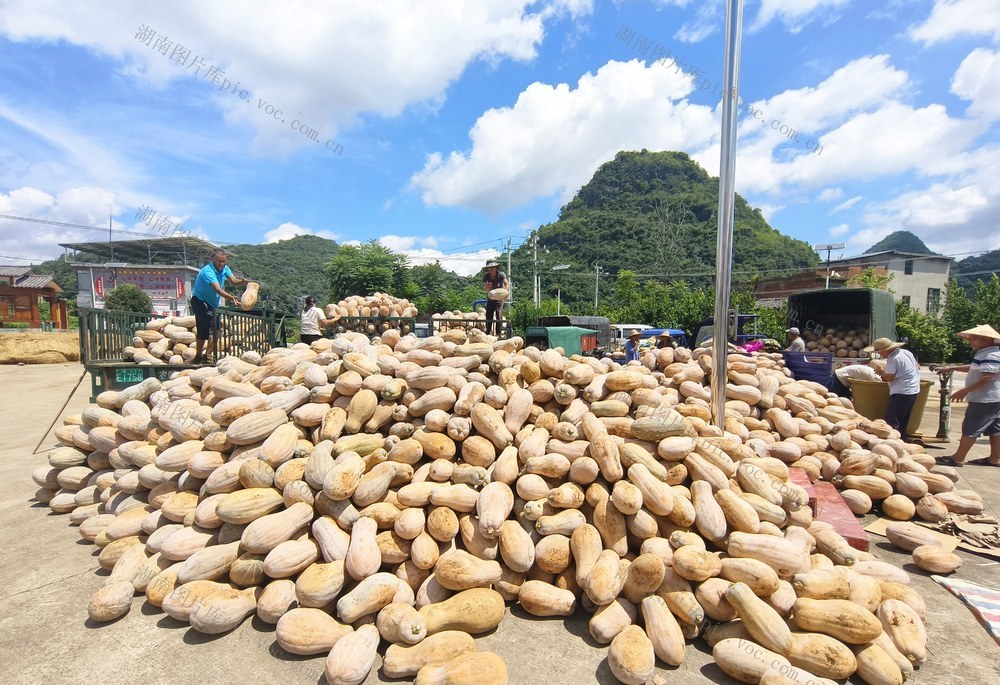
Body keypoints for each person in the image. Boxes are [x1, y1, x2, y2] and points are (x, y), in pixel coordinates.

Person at [934, 324, 1000, 467]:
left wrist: (964, 391)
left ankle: (958, 457)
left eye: (974, 339)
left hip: (985, 399)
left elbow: (987, 377)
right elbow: (976, 368)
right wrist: (952, 367)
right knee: (995, 428)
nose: (971, 341)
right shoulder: (988, 352)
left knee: (971, 427)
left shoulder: (991, 354)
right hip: (993, 398)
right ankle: (995, 458)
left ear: (987, 339)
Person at [191, 249, 251, 363]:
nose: (222, 264)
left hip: (211, 304)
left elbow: (233, 281)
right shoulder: (207, 271)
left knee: (209, 329)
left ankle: (201, 356)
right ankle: (204, 356)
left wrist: (242, 282)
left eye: (224, 261)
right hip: (200, 301)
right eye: (219, 261)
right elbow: (218, 289)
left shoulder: (225, 269)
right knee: (213, 328)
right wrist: (231, 297)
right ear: (212, 259)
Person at [866, 337, 920, 435]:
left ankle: (894, 440)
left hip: (901, 392)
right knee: (903, 420)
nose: (879, 354)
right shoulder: (906, 352)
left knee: (892, 420)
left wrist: (881, 372)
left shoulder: (893, 359)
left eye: (879, 352)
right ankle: (902, 439)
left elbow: (890, 378)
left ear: (885, 350)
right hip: (913, 389)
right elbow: (917, 366)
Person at [481, 260, 509, 337]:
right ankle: (488, 331)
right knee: (489, 314)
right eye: (490, 268)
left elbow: (506, 283)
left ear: (496, 268)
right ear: (488, 269)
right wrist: (487, 286)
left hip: (499, 297)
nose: (492, 269)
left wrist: (505, 292)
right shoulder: (486, 277)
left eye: (493, 267)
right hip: (490, 298)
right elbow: (485, 290)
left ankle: (498, 333)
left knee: (498, 314)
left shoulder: (501, 274)